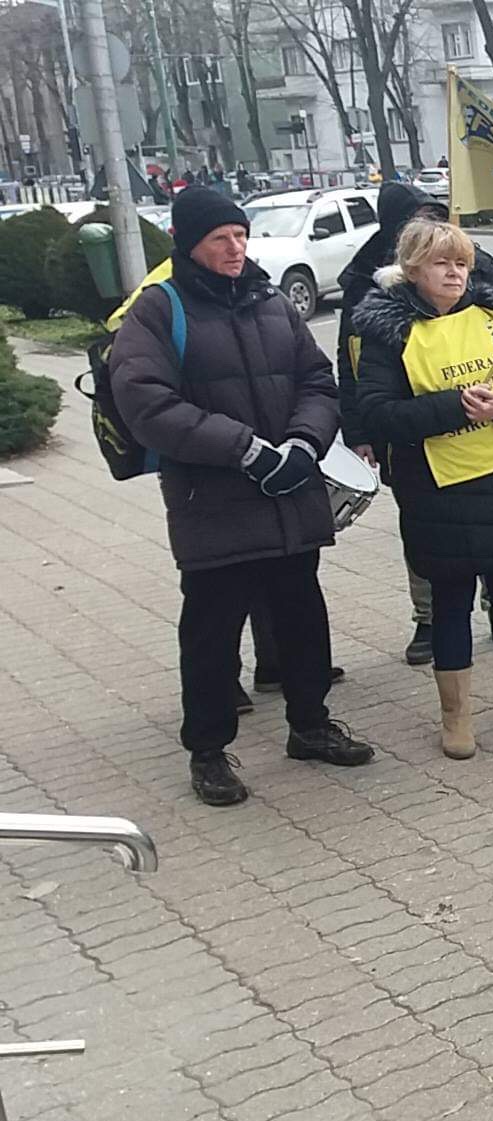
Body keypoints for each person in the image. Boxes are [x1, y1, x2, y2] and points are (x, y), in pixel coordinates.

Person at [109, 187, 376, 806]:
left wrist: (305, 443)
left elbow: (316, 380)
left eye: (240, 235)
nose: (235, 248)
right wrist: (245, 450)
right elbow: (147, 403)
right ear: (187, 244)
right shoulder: (159, 309)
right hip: (214, 503)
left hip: (290, 496)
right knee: (212, 632)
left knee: (302, 616)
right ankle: (208, 751)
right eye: (220, 239)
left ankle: (310, 725)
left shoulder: (271, 301)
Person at [352, 220, 493, 760]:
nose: (454, 273)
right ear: (412, 269)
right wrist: (456, 406)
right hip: (438, 492)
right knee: (450, 602)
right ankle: (457, 718)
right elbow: (377, 413)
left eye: (462, 263)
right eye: (441, 263)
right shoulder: (388, 333)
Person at [337, 181, 493, 666]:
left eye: (435, 216)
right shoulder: (365, 282)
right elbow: (351, 363)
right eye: (416, 220)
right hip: (412, 441)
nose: (428, 227)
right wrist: (358, 432)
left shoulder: (476, 269)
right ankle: (429, 618)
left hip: (485, 437)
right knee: (426, 534)